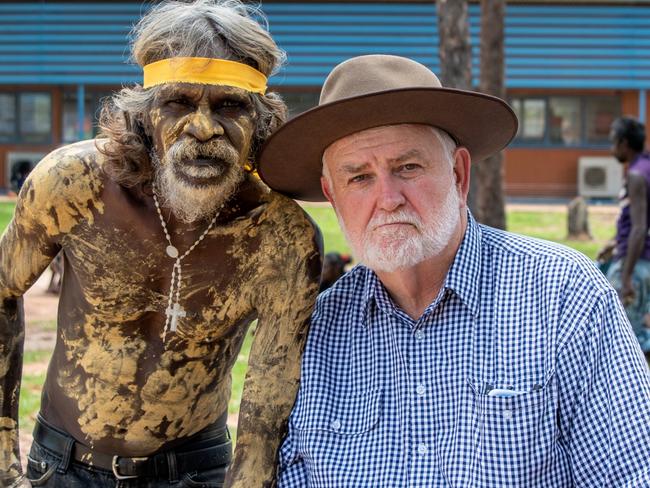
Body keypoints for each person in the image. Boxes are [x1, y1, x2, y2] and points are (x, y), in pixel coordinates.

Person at [258, 55, 650, 487]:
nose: (388, 199)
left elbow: (630, 475)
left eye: (408, 167)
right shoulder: (311, 335)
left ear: (459, 174)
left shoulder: (563, 295)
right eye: (359, 178)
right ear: (332, 196)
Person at [0, 1, 321, 487]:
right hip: (61, 464)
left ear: (260, 120)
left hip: (195, 470)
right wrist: (4, 460)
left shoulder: (278, 238)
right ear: (145, 117)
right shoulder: (75, 185)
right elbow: (3, 290)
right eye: (179, 102)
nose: (203, 128)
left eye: (229, 105)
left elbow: (269, 394)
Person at [598, 116, 650, 356]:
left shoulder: (636, 176)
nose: (611, 149)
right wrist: (613, 244)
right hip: (641, 262)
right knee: (637, 329)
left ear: (624, 144)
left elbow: (640, 227)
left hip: (635, 266)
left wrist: (627, 276)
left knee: (624, 338)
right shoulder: (645, 167)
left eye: (613, 143)